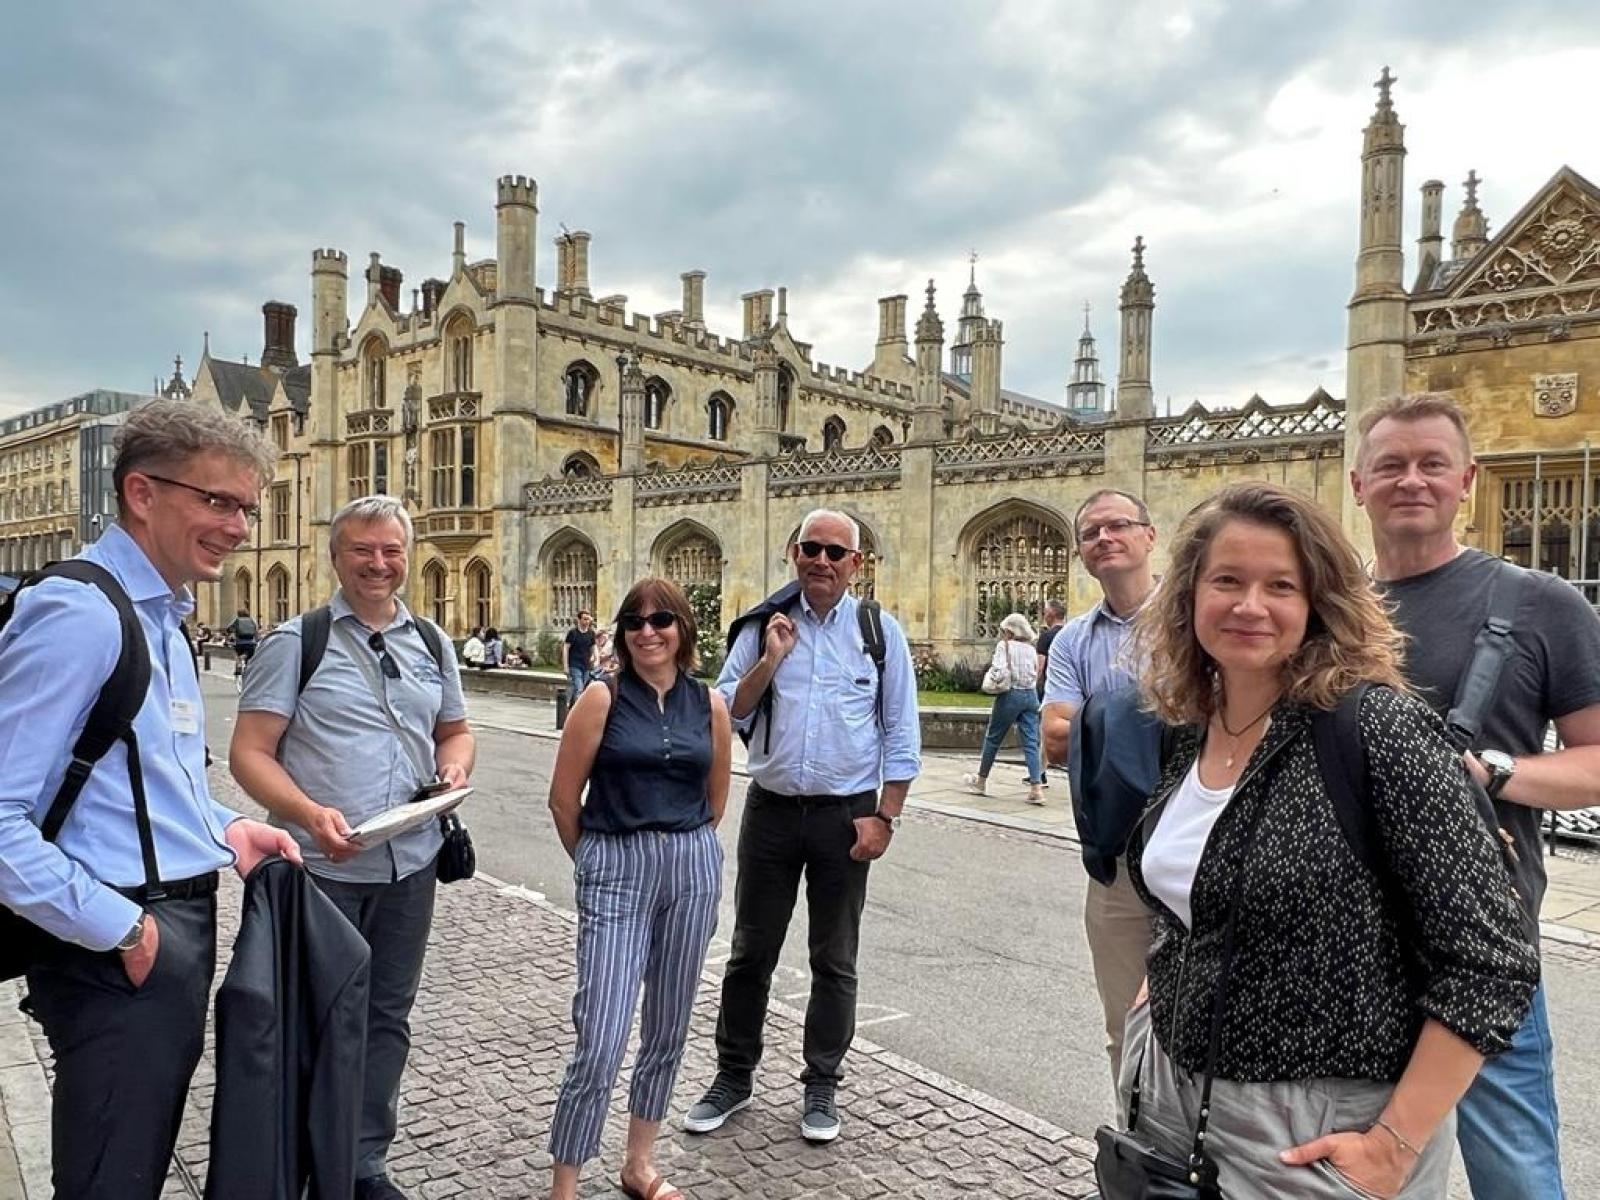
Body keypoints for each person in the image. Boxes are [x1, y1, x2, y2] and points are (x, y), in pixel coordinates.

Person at [1121, 481, 1537, 1198]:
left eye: (1280, 585)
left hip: (1315, 1128)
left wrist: (1393, 1146)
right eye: (1227, 580)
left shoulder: (1376, 732)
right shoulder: (1195, 727)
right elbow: (1191, 888)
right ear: (1188, 597)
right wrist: (1157, 990)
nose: (1250, 606)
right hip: (1169, 1096)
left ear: (1318, 603)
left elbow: (1491, 961)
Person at [0, 397, 301, 1200]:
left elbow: (147, 780)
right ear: (142, 493)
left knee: (135, 1158)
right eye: (217, 501)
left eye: (246, 507)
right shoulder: (80, 613)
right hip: (117, 943)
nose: (238, 526)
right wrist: (124, 931)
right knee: (110, 1178)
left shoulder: (161, 614)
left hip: (167, 926)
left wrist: (228, 827)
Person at [1352, 392, 1600, 1199]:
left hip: (1482, 945)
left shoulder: (1540, 604)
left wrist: (1496, 774)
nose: (1411, 480)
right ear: (1358, 483)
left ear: (1469, 479)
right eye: (1391, 464)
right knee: (1347, 1163)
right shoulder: (1331, 610)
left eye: (1431, 463)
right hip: (1349, 944)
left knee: (1516, 1178)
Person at [229, 494, 477, 1200]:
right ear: (335, 557)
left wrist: (456, 765)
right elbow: (250, 753)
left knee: (386, 1018)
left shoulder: (430, 642)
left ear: (407, 556)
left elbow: (455, 730)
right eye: (363, 550)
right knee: (318, 1019)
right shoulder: (295, 642)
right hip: (322, 870)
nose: (379, 564)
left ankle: (363, 1161)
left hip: (412, 863)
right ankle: (305, 1159)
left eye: (391, 551)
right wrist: (308, 812)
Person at [684, 508, 921, 1143]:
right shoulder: (765, 626)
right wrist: (770, 658)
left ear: (855, 564)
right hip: (772, 808)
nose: (821, 560)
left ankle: (821, 1086)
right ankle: (733, 1078)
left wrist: (885, 818)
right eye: (811, 548)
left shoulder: (878, 632)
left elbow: (901, 734)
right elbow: (726, 711)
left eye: (835, 552)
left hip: (846, 815)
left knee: (834, 959)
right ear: (794, 553)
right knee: (749, 954)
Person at [545, 578, 731, 1200]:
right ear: (622, 634)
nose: (647, 631)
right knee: (599, 1035)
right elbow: (563, 799)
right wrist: (599, 863)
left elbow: (716, 801)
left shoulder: (709, 704)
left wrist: (684, 854)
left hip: (690, 866)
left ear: (683, 630)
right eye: (634, 622)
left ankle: (639, 1164)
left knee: (668, 1025)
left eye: (661, 621)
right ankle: (565, 1186)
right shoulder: (602, 697)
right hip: (616, 864)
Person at [1041, 487, 1160, 1085]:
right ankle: (1134, 1168)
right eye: (1091, 533)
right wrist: (1151, 715)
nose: (1104, 539)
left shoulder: (1195, 619)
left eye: (1118, 526)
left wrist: (1099, 714)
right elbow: (1055, 740)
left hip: (1205, 850)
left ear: (1149, 537)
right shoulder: (1072, 640)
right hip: (1116, 857)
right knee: (1127, 1027)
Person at [961, 612, 1044, 804]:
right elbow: (1035, 672)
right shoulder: (1031, 649)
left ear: (1009, 631)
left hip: (1010, 695)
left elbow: (998, 670)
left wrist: (992, 677)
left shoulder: (1004, 646)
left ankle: (981, 781)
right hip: (1031, 695)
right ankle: (1036, 787)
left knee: (993, 738)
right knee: (1031, 743)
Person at [563, 610, 598, 701]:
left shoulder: (591, 633)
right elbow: (566, 649)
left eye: (588, 619)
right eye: (585, 619)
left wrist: (596, 659)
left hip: (586, 665)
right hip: (574, 664)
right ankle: (579, 712)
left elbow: (594, 648)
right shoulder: (573, 633)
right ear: (579, 620)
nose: (587, 621)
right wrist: (566, 666)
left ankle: (571, 708)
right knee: (579, 688)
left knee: (583, 690)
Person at [226, 605, 259, 677]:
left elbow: (228, 628)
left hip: (240, 642)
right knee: (249, 656)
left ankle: (238, 665)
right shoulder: (251, 620)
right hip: (251, 642)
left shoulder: (237, 620)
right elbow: (256, 631)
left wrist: (232, 633)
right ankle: (248, 670)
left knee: (237, 654)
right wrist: (256, 641)